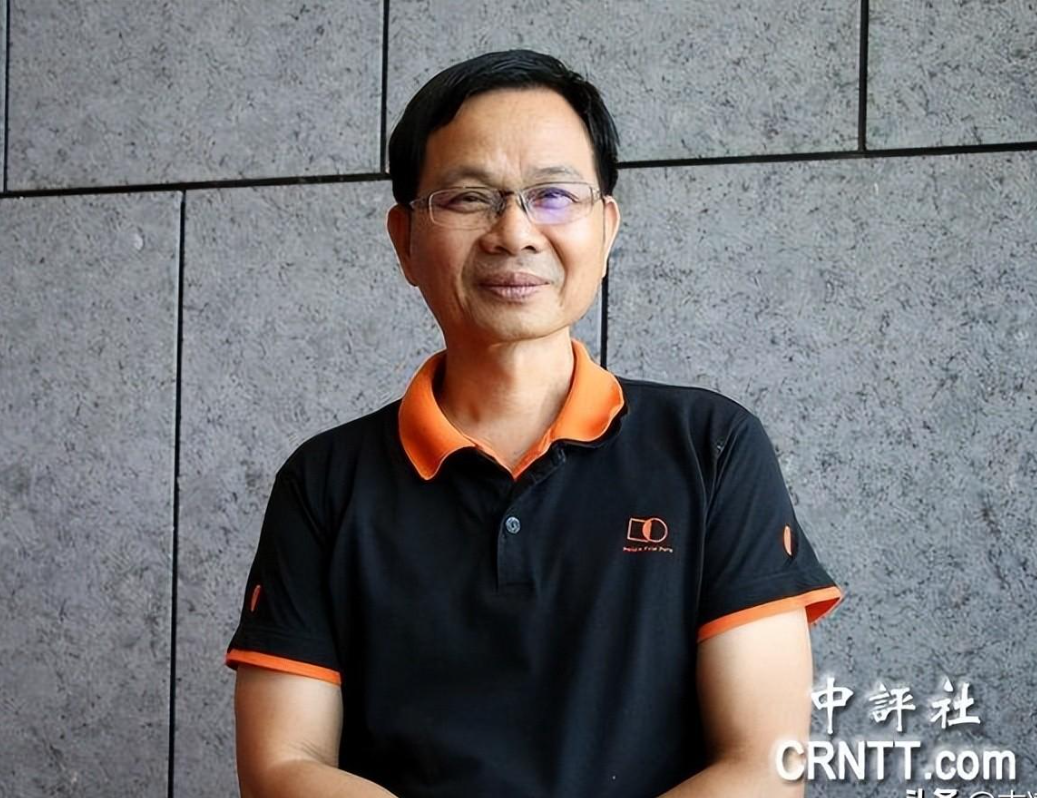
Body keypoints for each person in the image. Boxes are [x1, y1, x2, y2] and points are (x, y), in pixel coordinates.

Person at [226, 49, 842, 798]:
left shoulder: (709, 448)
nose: (513, 232)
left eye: (552, 195)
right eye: (467, 198)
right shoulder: (325, 482)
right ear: (404, 240)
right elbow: (283, 764)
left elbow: (764, 765)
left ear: (606, 229)